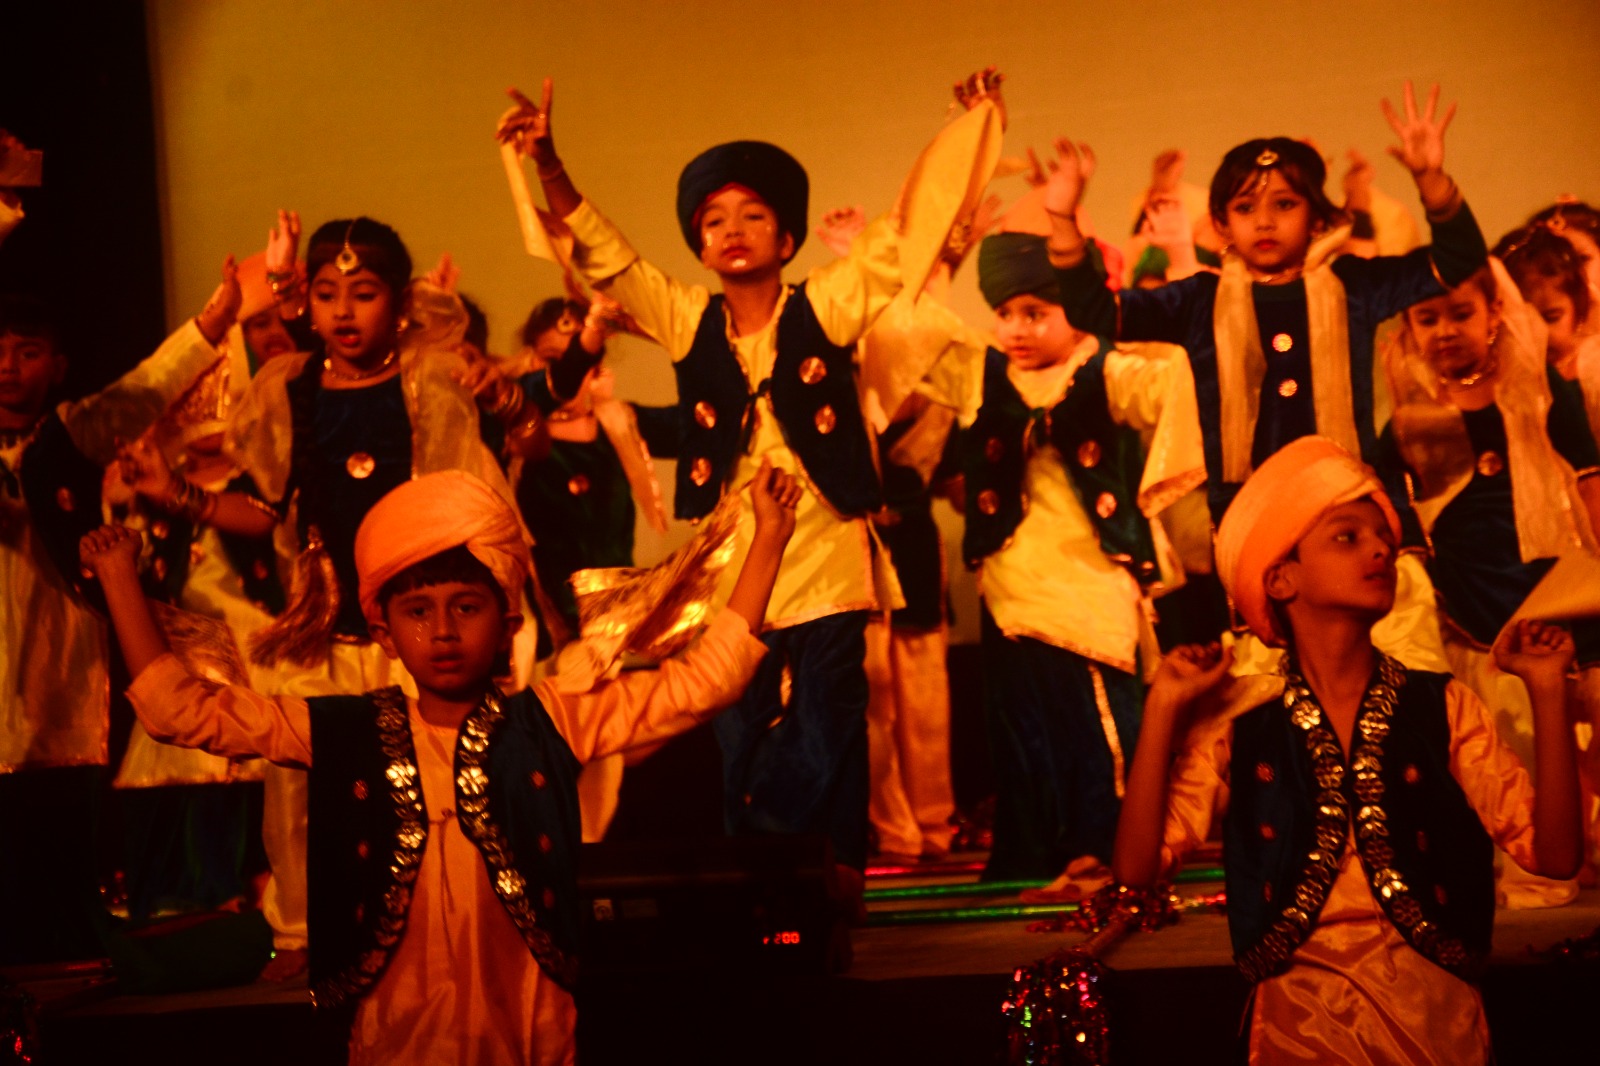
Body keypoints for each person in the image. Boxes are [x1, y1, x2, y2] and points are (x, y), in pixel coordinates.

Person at [79, 462, 797, 1065]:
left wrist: (769, 537)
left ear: (508, 624)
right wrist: (118, 580)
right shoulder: (346, 730)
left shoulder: (553, 721)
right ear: (384, 632)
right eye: (418, 611)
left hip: (529, 1024)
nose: (444, 631)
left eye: (466, 607)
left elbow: (706, 682)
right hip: (399, 1032)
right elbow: (178, 711)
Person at [494, 70, 1004, 874]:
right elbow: (608, 258)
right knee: (739, 721)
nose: (733, 230)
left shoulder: (825, 304)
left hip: (827, 550)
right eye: (714, 220)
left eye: (753, 215)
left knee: (829, 720)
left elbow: (904, 232)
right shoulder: (685, 318)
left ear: (787, 240)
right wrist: (549, 163)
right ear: (700, 246)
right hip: (733, 563)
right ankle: (758, 875)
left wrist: (968, 124)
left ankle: (829, 874)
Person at [121, 212, 532, 979]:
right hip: (321, 638)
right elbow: (264, 511)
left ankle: (445, 936)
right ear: (306, 302)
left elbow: (470, 506)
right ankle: (302, 940)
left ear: (400, 302)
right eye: (327, 294)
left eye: (364, 293)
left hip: (412, 643)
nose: (344, 312)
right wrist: (177, 493)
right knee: (300, 803)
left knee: (435, 795)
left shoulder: (432, 381)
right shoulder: (287, 387)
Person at [1113, 436, 1583, 1064]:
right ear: (1280, 577)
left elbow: (1555, 856)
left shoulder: (1443, 707)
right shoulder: (1243, 725)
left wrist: (1548, 692)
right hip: (1297, 1023)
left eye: (1383, 536)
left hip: (1432, 1016)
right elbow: (1136, 870)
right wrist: (1162, 711)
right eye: (1347, 536)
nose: (1381, 548)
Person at [913, 226, 1201, 881]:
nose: (1016, 329)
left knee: (1099, 724)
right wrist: (932, 254)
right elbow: (912, 336)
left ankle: (1109, 846)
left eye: (1036, 313)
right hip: (1010, 583)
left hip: (1092, 579)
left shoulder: (1110, 370)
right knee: (1022, 729)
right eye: (1006, 313)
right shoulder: (980, 374)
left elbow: (1179, 382)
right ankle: (1031, 852)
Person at [0, 266, 233, 961]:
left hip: (58, 674)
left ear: (58, 364)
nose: (7, 367)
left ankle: (67, 971)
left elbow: (147, 388)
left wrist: (212, 325)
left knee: (57, 842)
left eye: (27, 351)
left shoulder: (70, 435)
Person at [1380, 262, 1600, 903]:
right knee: (1511, 742)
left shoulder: (1537, 390)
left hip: (1560, 583)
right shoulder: (1410, 415)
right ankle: (1539, 865)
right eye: (1428, 319)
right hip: (1471, 601)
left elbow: (1589, 478)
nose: (1445, 330)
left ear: (1495, 313)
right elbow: (1387, 500)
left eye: (1461, 313)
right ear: (1409, 327)